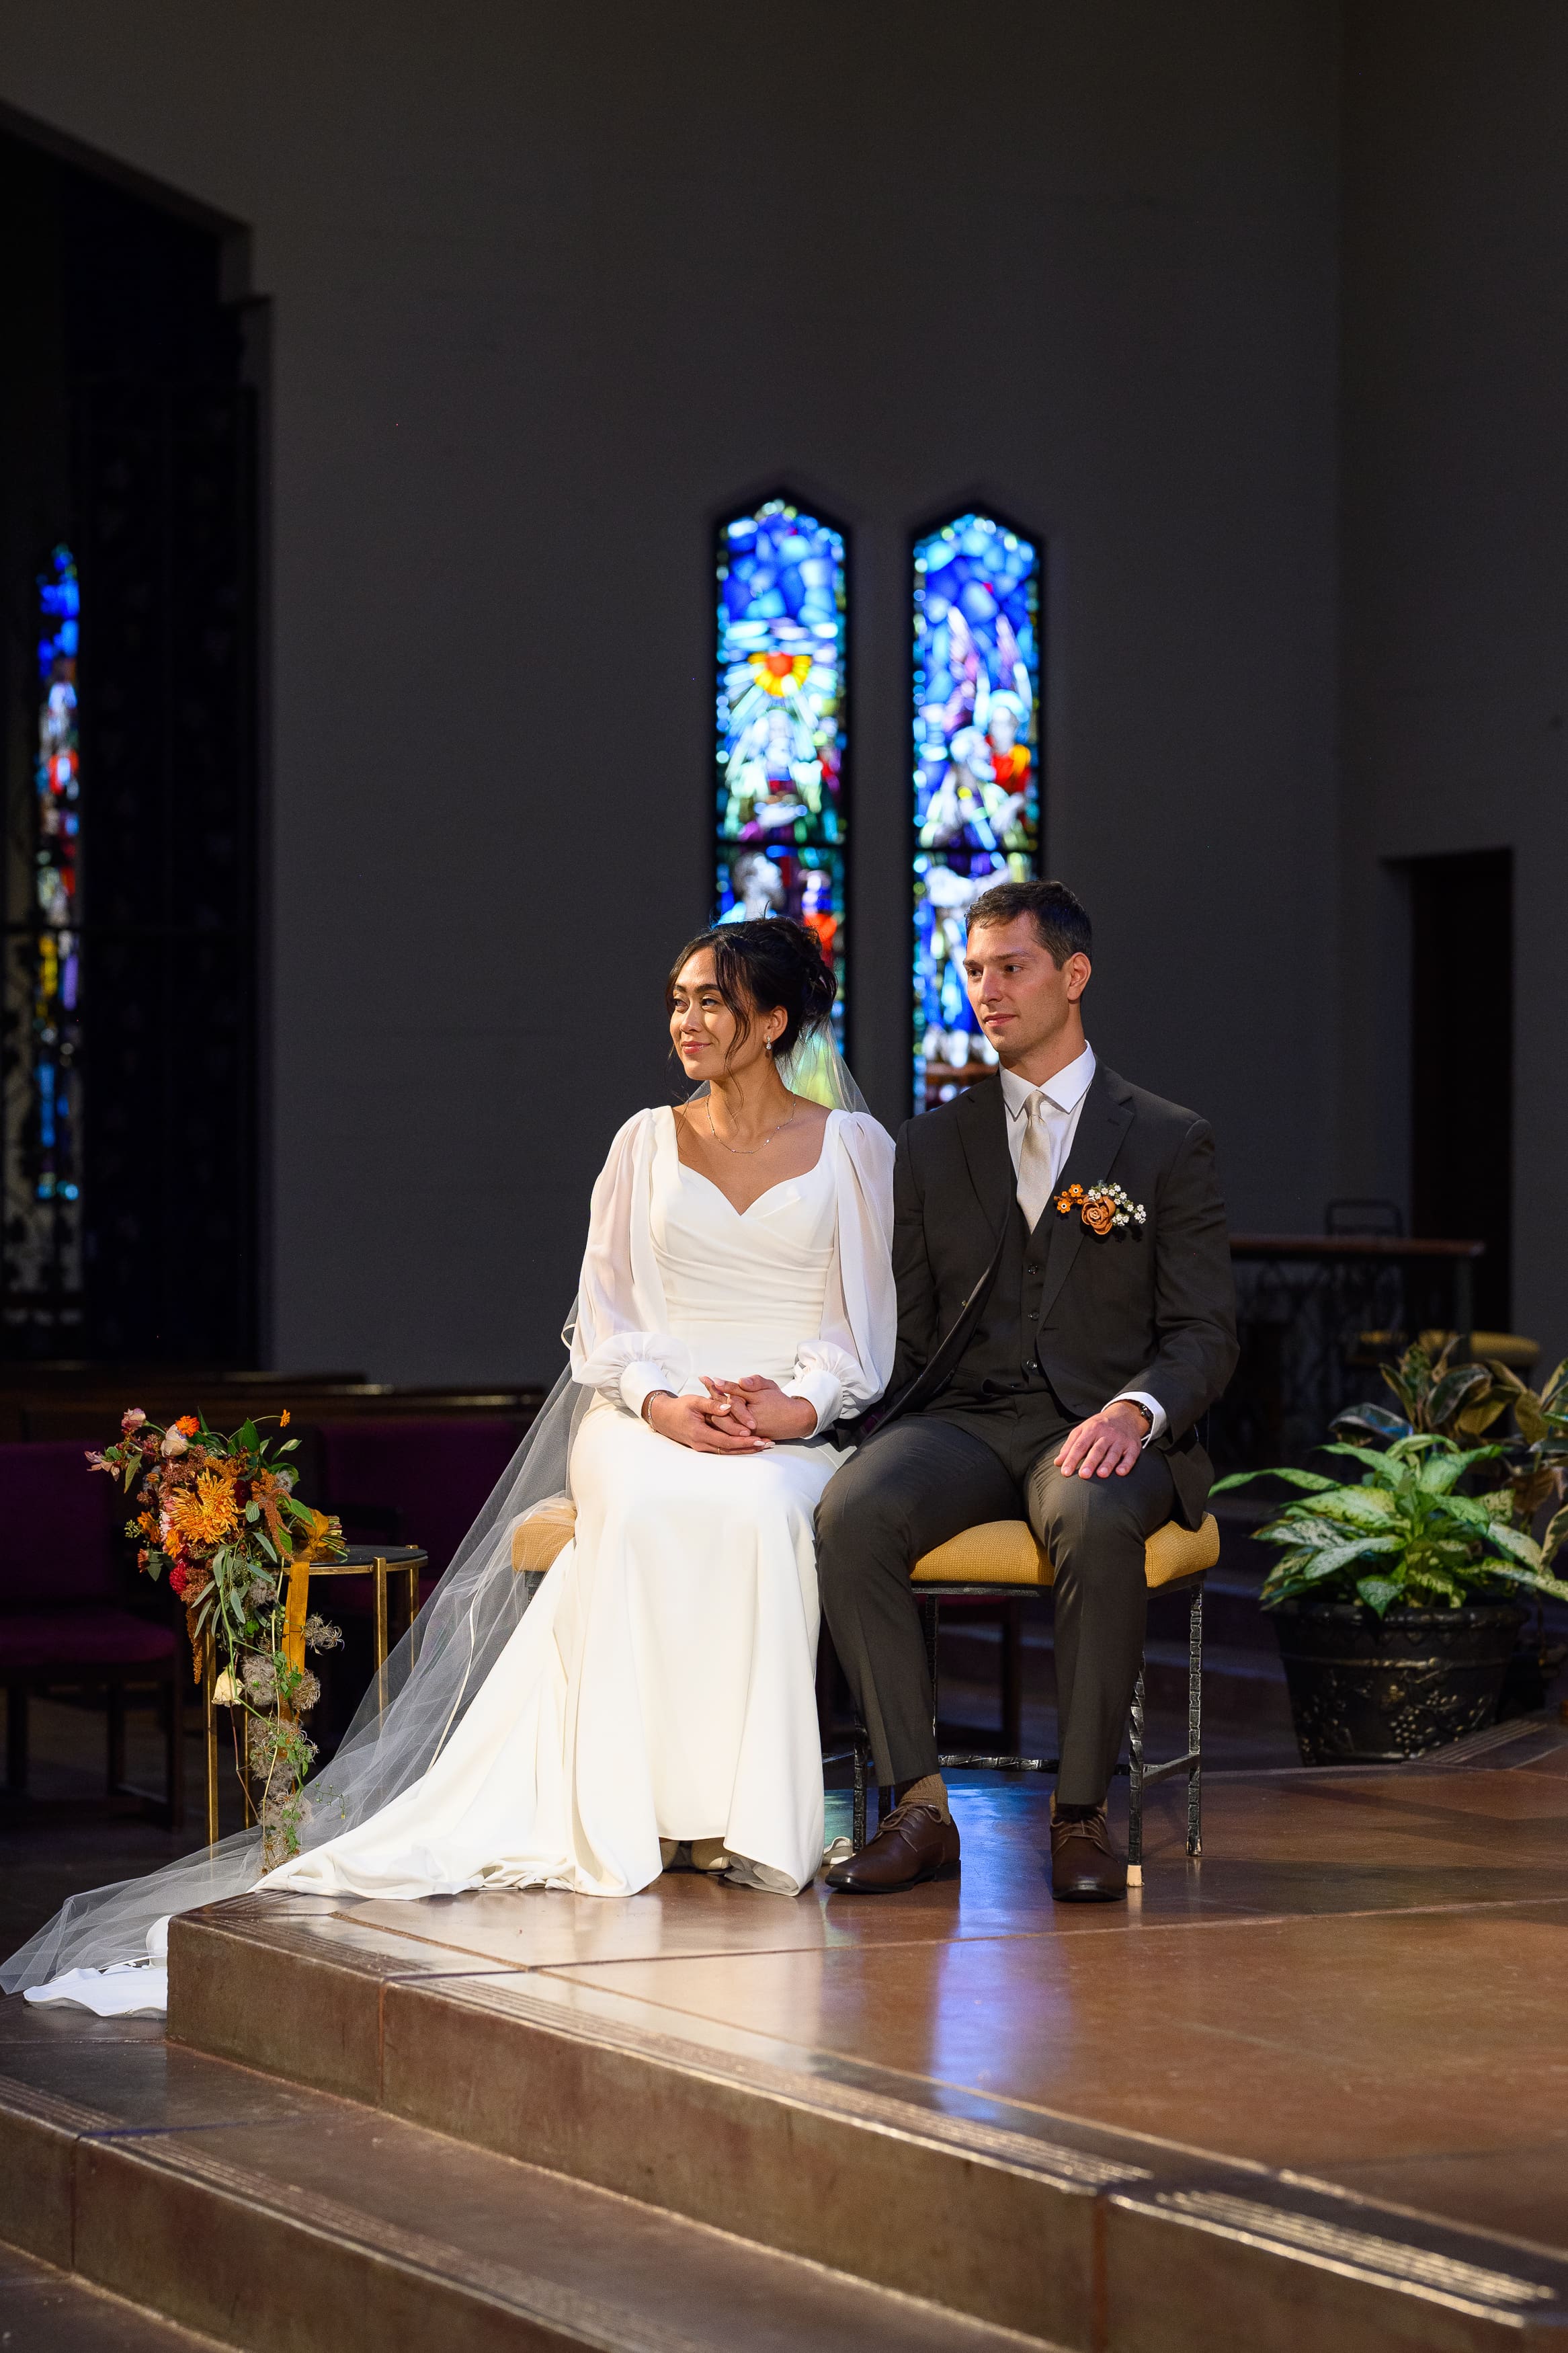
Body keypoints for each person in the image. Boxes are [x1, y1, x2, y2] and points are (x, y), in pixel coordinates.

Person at [5, 918, 894, 2009]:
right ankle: (641, 1815)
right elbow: (606, 1320)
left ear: (774, 1020)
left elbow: (861, 1328)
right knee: (648, 1503)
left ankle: (741, 1819)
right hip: (642, 1409)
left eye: (712, 1000)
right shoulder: (642, 1143)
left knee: (761, 1508)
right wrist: (665, 1404)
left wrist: (792, 1405)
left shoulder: (854, 1149)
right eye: (677, 999)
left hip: (781, 1420)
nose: (686, 1021)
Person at [817, 878, 1237, 1903]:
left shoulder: (1164, 1137)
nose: (986, 991)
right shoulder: (931, 1141)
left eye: (1011, 967)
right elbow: (910, 1328)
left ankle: (1081, 1813)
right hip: (964, 1420)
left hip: (1101, 1426)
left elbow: (1202, 1332)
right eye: (973, 972)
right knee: (851, 1512)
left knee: (1089, 1516)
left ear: (1072, 974)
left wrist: (1136, 1410)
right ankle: (919, 1809)